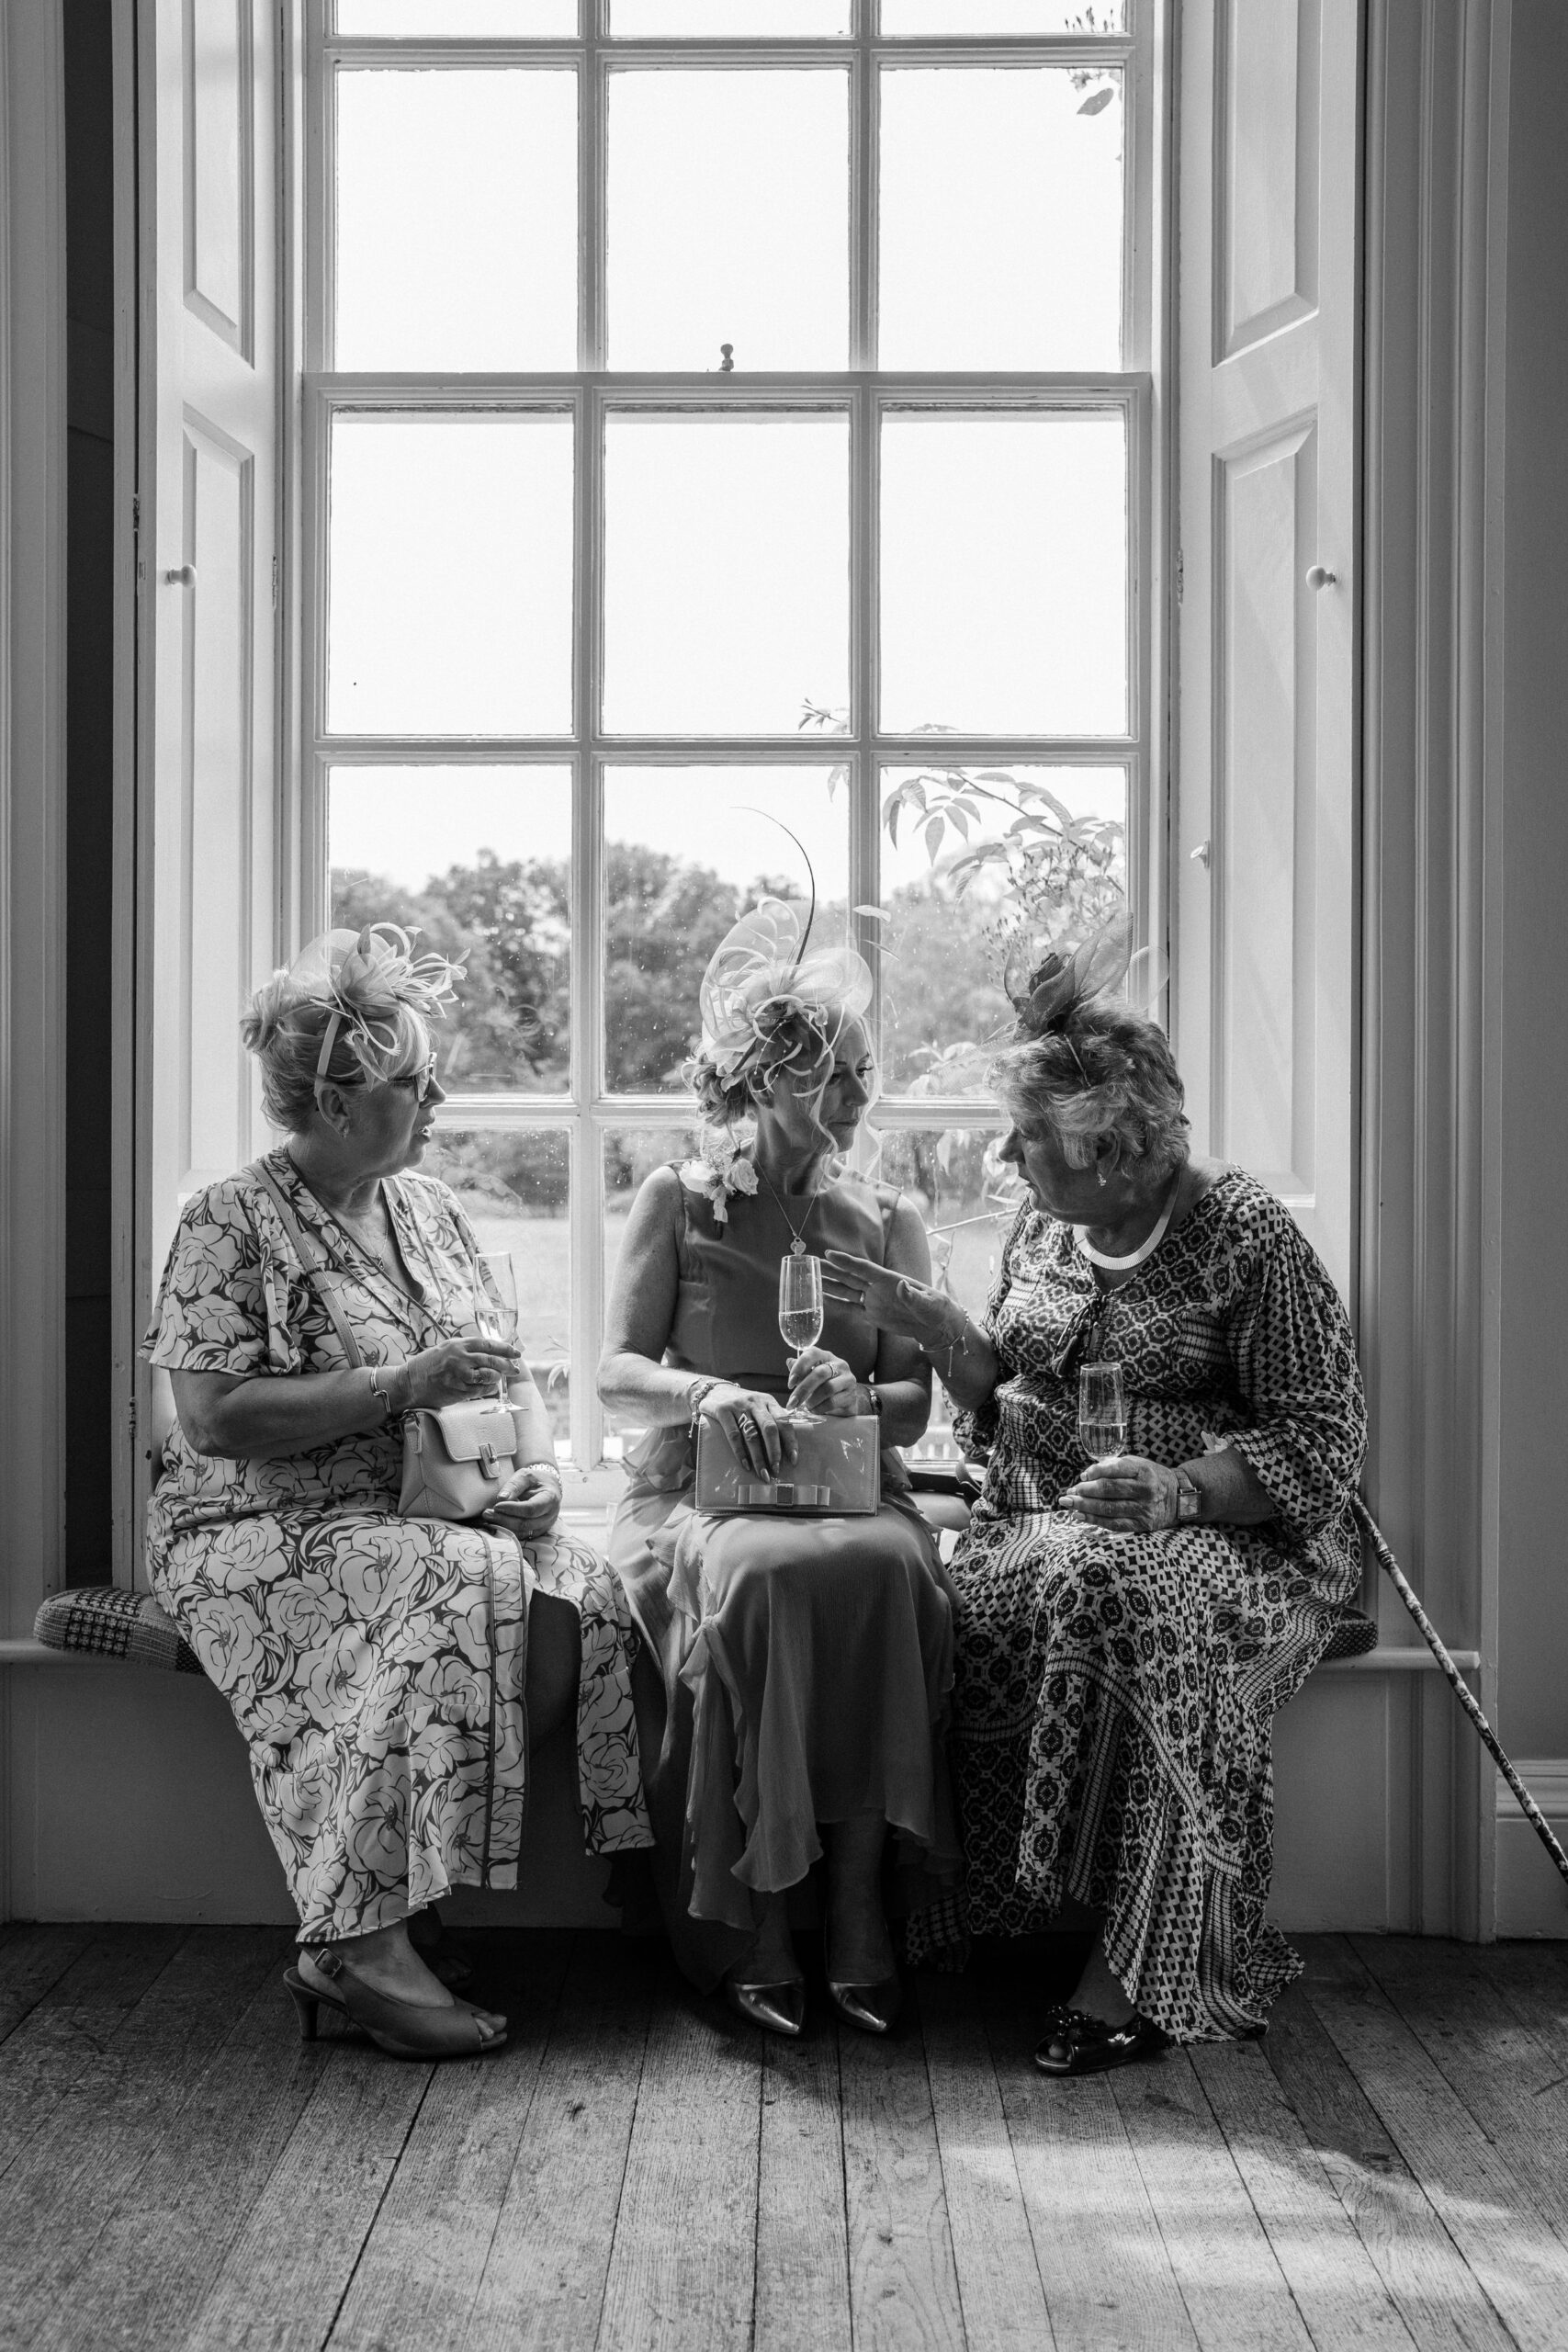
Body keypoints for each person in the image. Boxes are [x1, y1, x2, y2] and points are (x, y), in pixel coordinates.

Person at [823, 921, 1367, 2073]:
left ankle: (1136, 1972)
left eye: (1029, 1143)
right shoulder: (1045, 1226)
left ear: (1116, 1150)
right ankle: (995, 1905)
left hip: (1237, 1542)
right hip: (1038, 1510)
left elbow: (1322, 1443)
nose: (1008, 1166)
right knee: (971, 1583)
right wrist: (933, 1325)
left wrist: (1179, 1490)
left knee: (1118, 1583)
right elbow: (1004, 1389)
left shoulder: (1244, 1236)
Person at [143, 925, 651, 2060]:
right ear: (335, 1102)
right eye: (415, 1081)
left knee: (577, 1596)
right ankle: (356, 1941)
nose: (439, 1097)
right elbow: (213, 1419)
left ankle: (408, 1906)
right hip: (255, 1524)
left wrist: (525, 1475)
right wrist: (391, 1387)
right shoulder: (228, 1220)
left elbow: (500, 1378)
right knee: (459, 1580)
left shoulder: (430, 1209)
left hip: (425, 1511)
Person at [598, 901, 958, 2036]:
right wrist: (708, 1389)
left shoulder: (887, 1216)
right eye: (835, 1077)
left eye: (863, 1073)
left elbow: (915, 1402)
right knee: (756, 1579)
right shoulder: (679, 1199)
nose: (858, 1098)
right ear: (762, 1084)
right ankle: (752, 1916)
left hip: (851, 1486)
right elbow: (613, 1372)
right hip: (701, 1490)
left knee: (890, 1571)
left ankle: (856, 1906)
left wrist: (864, 1395)